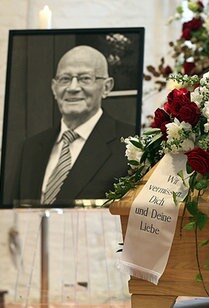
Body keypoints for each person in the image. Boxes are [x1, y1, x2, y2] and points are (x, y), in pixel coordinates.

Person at [14, 45, 136, 207]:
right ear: (54, 88)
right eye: (65, 79)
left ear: (106, 87)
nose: (72, 88)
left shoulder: (130, 144)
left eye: (85, 78)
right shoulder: (30, 148)